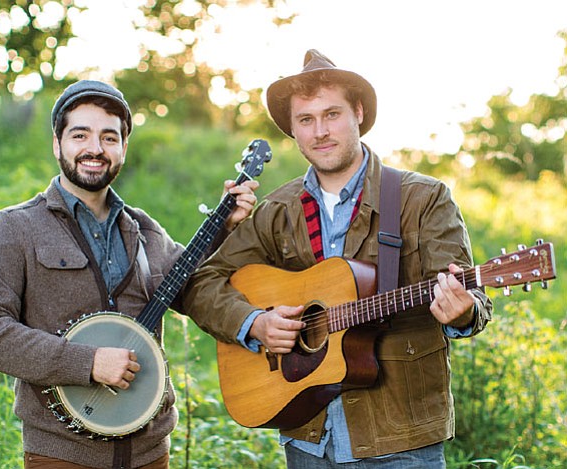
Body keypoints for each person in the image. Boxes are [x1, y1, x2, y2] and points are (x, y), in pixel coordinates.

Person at [182, 50, 493, 468]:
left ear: (359, 113)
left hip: (399, 438)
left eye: (332, 114)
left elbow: (471, 301)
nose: (320, 131)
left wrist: (461, 312)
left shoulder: (422, 199)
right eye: (306, 120)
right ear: (292, 129)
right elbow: (200, 282)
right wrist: (254, 322)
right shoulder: (277, 210)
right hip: (306, 433)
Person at [0, 79, 258, 469]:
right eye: (80, 134)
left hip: (150, 453)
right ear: (57, 143)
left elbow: (192, 291)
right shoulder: (14, 228)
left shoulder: (144, 230)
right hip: (62, 455)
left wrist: (225, 226)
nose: (95, 149)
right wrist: (86, 362)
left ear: (123, 148)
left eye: (109, 137)